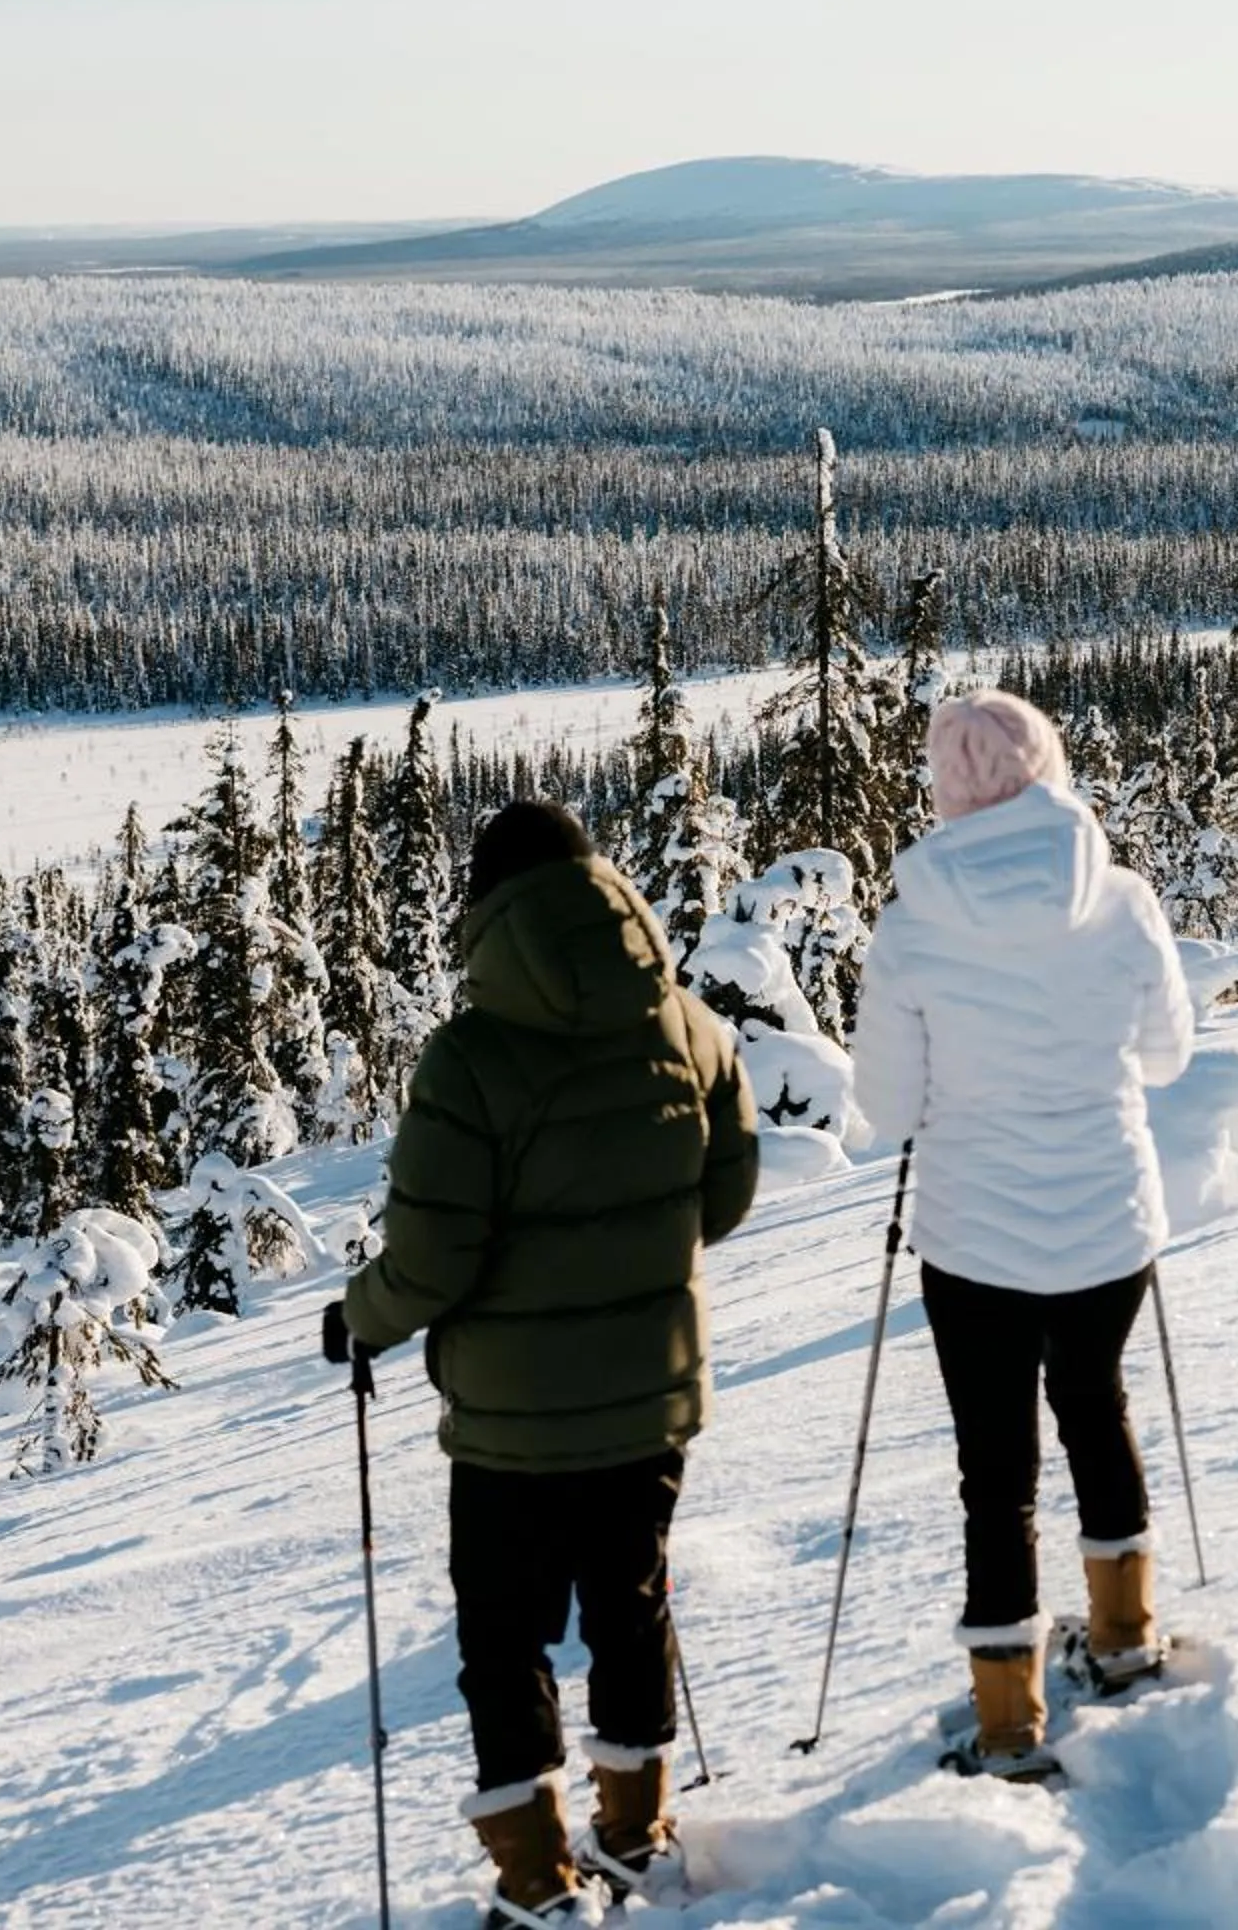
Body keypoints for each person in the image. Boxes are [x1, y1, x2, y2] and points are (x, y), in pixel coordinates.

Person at [324, 799, 758, 1927]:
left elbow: (429, 1258)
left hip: (514, 1426)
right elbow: (729, 1191)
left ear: (489, 908)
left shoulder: (470, 1059)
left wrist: (360, 1316)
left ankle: (535, 1878)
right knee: (633, 1607)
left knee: (504, 1637)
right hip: (653, 1395)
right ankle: (634, 1834)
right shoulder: (687, 1024)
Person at [852, 690, 1197, 1780]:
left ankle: (1008, 1720)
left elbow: (890, 1108)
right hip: (1107, 1223)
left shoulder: (911, 924)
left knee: (995, 1471)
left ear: (946, 790)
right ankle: (1128, 1634)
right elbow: (1168, 1054)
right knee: (1097, 1409)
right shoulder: (1125, 898)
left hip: (974, 1236)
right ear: (1048, 767)